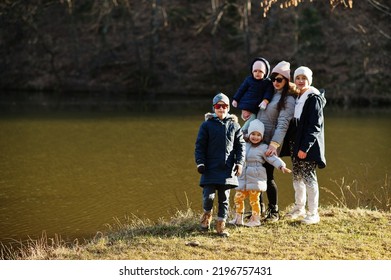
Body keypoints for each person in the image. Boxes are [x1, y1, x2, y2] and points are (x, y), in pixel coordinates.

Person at [195, 92, 246, 237]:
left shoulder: (235, 126)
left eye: (224, 106)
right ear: (214, 107)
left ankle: (221, 226)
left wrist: (239, 163)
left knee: (224, 199)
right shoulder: (206, 125)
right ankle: (206, 216)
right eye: (218, 106)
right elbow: (200, 146)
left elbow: (240, 146)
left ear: (228, 107)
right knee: (208, 197)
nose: (221, 109)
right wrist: (200, 163)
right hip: (209, 168)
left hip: (227, 169)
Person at [283, 66, 326, 225]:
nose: (300, 81)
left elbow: (314, 126)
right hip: (296, 143)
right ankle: (299, 208)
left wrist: (304, 148)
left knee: (309, 178)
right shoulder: (298, 96)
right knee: (297, 177)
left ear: (309, 80)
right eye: (298, 78)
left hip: (307, 146)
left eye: (304, 78)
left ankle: (313, 213)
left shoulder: (313, 98)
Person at [229, 119, 291, 227]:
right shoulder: (244, 145)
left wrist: (281, 166)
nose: (255, 137)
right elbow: (236, 155)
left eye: (258, 135)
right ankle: (238, 218)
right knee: (238, 198)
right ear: (249, 134)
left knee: (254, 200)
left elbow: (273, 158)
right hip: (243, 177)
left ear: (262, 136)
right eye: (253, 134)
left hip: (256, 178)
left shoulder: (263, 148)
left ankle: (255, 219)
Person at [256, 60, 297, 222]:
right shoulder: (270, 93)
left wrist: (274, 144)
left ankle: (274, 212)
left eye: (279, 79)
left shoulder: (288, 99)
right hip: (256, 140)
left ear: (286, 80)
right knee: (254, 175)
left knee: (267, 176)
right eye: (273, 79)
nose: (275, 82)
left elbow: (283, 123)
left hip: (271, 143)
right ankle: (257, 210)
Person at [232, 57, 274, 137]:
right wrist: (235, 99)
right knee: (250, 118)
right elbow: (241, 89)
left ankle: (244, 132)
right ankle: (241, 132)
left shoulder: (267, 82)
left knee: (254, 119)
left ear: (265, 72)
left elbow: (269, 93)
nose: (257, 73)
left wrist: (265, 101)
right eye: (255, 71)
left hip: (256, 107)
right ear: (252, 71)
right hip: (246, 104)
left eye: (260, 71)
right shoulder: (249, 80)